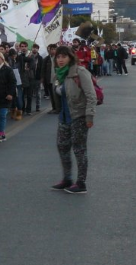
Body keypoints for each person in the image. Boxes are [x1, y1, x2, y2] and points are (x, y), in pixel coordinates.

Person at [51, 46, 97, 194]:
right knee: (62, 146)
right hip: (64, 117)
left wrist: (89, 116)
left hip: (79, 116)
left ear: (70, 57)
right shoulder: (59, 75)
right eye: (58, 57)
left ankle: (81, 182)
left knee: (79, 149)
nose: (60, 60)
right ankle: (67, 178)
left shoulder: (79, 72)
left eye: (64, 57)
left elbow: (91, 96)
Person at [42, 44, 59, 114]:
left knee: (57, 93)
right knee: (52, 95)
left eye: (54, 49)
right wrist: (43, 78)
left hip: (57, 79)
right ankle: (54, 108)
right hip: (49, 79)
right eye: (51, 49)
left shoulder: (59, 58)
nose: (53, 51)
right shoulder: (46, 59)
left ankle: (59, 108)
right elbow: (43, 69)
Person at [8, 49, 23, 121]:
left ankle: (19, 112)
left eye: (15, 55)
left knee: (18, 97)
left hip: (18, 82)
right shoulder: (8, 61)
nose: (14, 57)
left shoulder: (19, 61)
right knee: (13, 98)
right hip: (11, 82)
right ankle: (13, 111)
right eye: (12, 55)